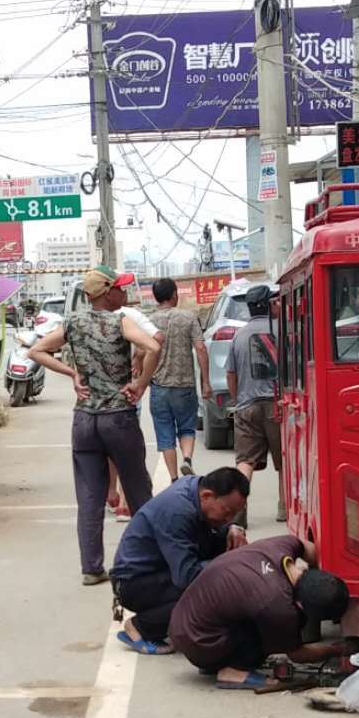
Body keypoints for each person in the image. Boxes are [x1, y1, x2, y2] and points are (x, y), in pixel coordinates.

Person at [27, 266, 161, 585]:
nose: (123, 294)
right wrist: (141, 383)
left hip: (84, 419)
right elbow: (154, 347)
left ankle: (91, 568)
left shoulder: (71, 323)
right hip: (118, 417)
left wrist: (72, 373)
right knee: (138, 489)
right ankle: (150, 560)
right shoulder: (120, 320)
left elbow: (36, 350)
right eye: (119, 289)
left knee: (89, 496)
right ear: (106, 292)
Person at [170, 535, 354, 691]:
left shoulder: (282, 547)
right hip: (198, 641)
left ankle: (218, 659)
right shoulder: (277, 604)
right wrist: (336, 650)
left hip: (186, 620)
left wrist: (325, 584)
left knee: (252, 613)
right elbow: (297, 654)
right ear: (301, 604)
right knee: (277, 631)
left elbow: (309, 548)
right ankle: (233, 671)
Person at [109, 468, 250, 653]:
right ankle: (141, 627)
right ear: (207, 496)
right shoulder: (177, 512)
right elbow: (187, 575)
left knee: (227, 549)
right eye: (227, 511)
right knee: (213, 589)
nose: (229, 518)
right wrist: (228, 570)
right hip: (134, 583)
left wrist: (233, 528)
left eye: (235, 514)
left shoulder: (199, 489)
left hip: (160, 568)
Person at [223, 287, 284, 522]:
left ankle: (238, 512)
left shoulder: (239, 335)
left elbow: (231, 374)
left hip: (246, 405)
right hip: (278, 406)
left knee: (245, 461)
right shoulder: (282, 330)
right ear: (268, 305)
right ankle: (284, 508)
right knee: (284, 463)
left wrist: (237, 400)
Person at [144, 278, 208, 480]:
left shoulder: (149, 322)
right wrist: (205, 381)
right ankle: (187, 459)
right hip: (184, 385)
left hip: (159, 386)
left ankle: (173, 478)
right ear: (174, 295)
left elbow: (140, 352)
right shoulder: (189, 317)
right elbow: (200, 348)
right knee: (187, 427)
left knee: (165, 435)